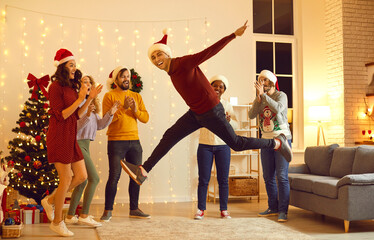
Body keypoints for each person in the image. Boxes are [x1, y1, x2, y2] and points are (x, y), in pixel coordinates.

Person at [122, 21, 292, 186]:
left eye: (159, 54)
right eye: (153, 57)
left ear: (167, 54)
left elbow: (209, 51)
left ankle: (276, 143)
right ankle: (143, 171)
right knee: (170, 135)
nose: (156, 58)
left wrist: (233, 35)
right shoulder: (172, 73)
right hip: (196, 113)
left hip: (211, 111)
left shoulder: (183, 63)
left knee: (237, 144)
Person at [42, 49, 103, 237]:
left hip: (70, 136)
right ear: (61, 67)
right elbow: (62, 115)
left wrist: (89, 97)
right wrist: (79, 98)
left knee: (82, 176)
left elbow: (77, 115)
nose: (74, 67)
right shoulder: (55, 87)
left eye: (75, 64)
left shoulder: (70, 87)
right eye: (70, 64)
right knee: (66, 179)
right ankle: (57, 222)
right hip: (59, 136)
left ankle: (50, 200)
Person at [64, 74, 120, 227]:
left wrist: (111, 112)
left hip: (86, 145)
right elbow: (75, 128)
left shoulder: (93, 105)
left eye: (89, 82)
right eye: (84, 82)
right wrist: (87, 114)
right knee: (94, 179)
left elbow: (100, 125)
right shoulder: (79, 104)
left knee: (82, 182)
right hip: (78, 144)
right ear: (79, 86)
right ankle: (84, 215)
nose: (87, 84)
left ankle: (69, 216)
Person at [100, 66, 150, 222]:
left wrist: (135, 109)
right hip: (116, 141)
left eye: (127, 76)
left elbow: (145, 118)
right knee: (114, 176)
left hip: (134, 141)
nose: (126, 79)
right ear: (116, 80)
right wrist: (123, 108)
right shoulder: (109, 96)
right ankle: (108, 211)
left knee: (137, 177)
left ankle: (134, 209)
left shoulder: (136, 96)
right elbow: (108, 120)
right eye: (122, 76)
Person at [248, 70, 292, 222]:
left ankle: (283, 211)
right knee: (268, 177)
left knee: (281, 176)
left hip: (281, 139)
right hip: (266, 141)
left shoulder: (281, 95)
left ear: (272, 82)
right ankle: (273, 207)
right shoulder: (260, 98)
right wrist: (259, 98)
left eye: (265, 80)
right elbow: (251, 115)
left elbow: (279, 108)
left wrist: (265, 96)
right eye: (260, 80)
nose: (262, 83)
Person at [194, 75, 238, 220]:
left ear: (224, 90)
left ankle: (224, 210)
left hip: (223, 146)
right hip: (205, 145)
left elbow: (237, 125)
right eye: (215, 86)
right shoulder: (202, 103)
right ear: (210, 87)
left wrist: (229, 121)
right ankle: (201, 209)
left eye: (221, 87)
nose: (218, 89)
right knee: (204, 179)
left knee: (223, 179)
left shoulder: (227, 105)